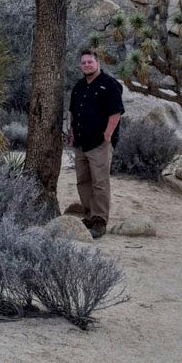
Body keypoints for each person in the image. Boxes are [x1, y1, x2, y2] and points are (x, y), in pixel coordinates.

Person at [68, 48, 124, 238]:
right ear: (80, 65)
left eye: (89, 62)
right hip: (81, 142)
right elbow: (72, 112)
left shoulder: (109, 84)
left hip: (99, 142)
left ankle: (100, 221)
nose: (86, 65)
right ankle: (89, 216)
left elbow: (116, 113)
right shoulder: (79, 86)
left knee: (100, 182)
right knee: (83, 180)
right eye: (83, 62)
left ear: (97, 63)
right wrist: (71, 132)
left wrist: (107, 135)